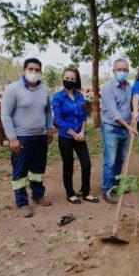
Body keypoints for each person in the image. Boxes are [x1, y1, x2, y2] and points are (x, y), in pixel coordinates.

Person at [1, 58, 53, 218]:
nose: (34, 72)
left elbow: (47, 111)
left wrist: (49, 128)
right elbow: (5, 114)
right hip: (21, 138)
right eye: (31, 69)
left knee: (38, 169)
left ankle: (38, 195)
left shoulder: (44, 89)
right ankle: (22, 202)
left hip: (40, 137)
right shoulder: (13, 89)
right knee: (20, 171)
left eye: (37, 70)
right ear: (24, 70)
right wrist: (12, 138)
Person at [52, 68, 98, 204]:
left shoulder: (79, 96)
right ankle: (70, 193)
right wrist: (73, 133)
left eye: (72, 79)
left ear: (76, 80)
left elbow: (84, 115)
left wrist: (82, 132)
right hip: (66, 137)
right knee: (68, 165)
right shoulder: (58, 97)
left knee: (86, 164)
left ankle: (85, 191)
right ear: (63, 78)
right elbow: (58, 120)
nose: (69, 81)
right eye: (67, 78)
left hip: (80, 135)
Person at [101, 58, 137, 204]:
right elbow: (114, 113)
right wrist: (129, 128)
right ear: (113, 71)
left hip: (125, 127)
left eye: (124, 70)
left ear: (128, 71)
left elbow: (128, 105)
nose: (122, 72)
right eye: (119, 69)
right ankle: (107, 190)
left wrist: (136, 108)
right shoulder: (107, 88)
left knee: (120, 159)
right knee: (110, 161)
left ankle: (116, 185)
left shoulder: (129, 86)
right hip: (112, 128)